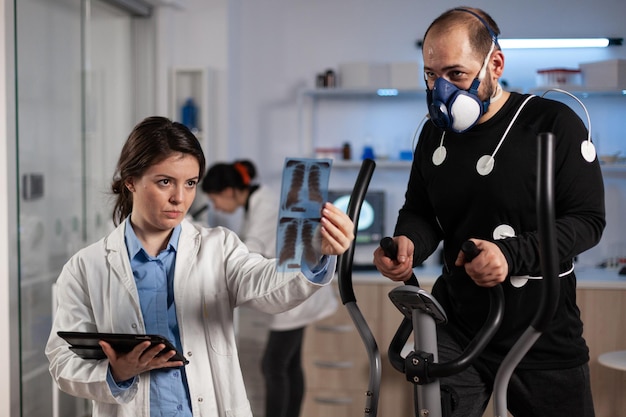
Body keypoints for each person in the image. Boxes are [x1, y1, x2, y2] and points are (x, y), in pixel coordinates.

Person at [373, 7, 605, 417]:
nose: (441, 90)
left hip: (539, 332)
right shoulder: (433, 134)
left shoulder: (553, 124)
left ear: (494, 64)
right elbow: (422, 211)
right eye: (431, 74)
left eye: (456, 74)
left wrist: (510, 254)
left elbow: (587, 221)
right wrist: (409, 243)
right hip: (457, 327)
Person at [45, 116, 355, 417]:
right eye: (165, 182)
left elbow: (267, 285)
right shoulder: (86, 267)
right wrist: (116, 371)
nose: (179, 198)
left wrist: (316, 255)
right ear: (131, 182)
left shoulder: (217, 248)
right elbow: (62, 361)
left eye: (190, 183)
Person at [201, 160, 338, 417]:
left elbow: (251, 250)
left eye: (214, 198)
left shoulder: (264, 205)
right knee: (289, 364)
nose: (216, 206)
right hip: (299, 289)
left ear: (229, 191)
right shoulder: (258, 201)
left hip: (296, 292)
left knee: (273, 365)